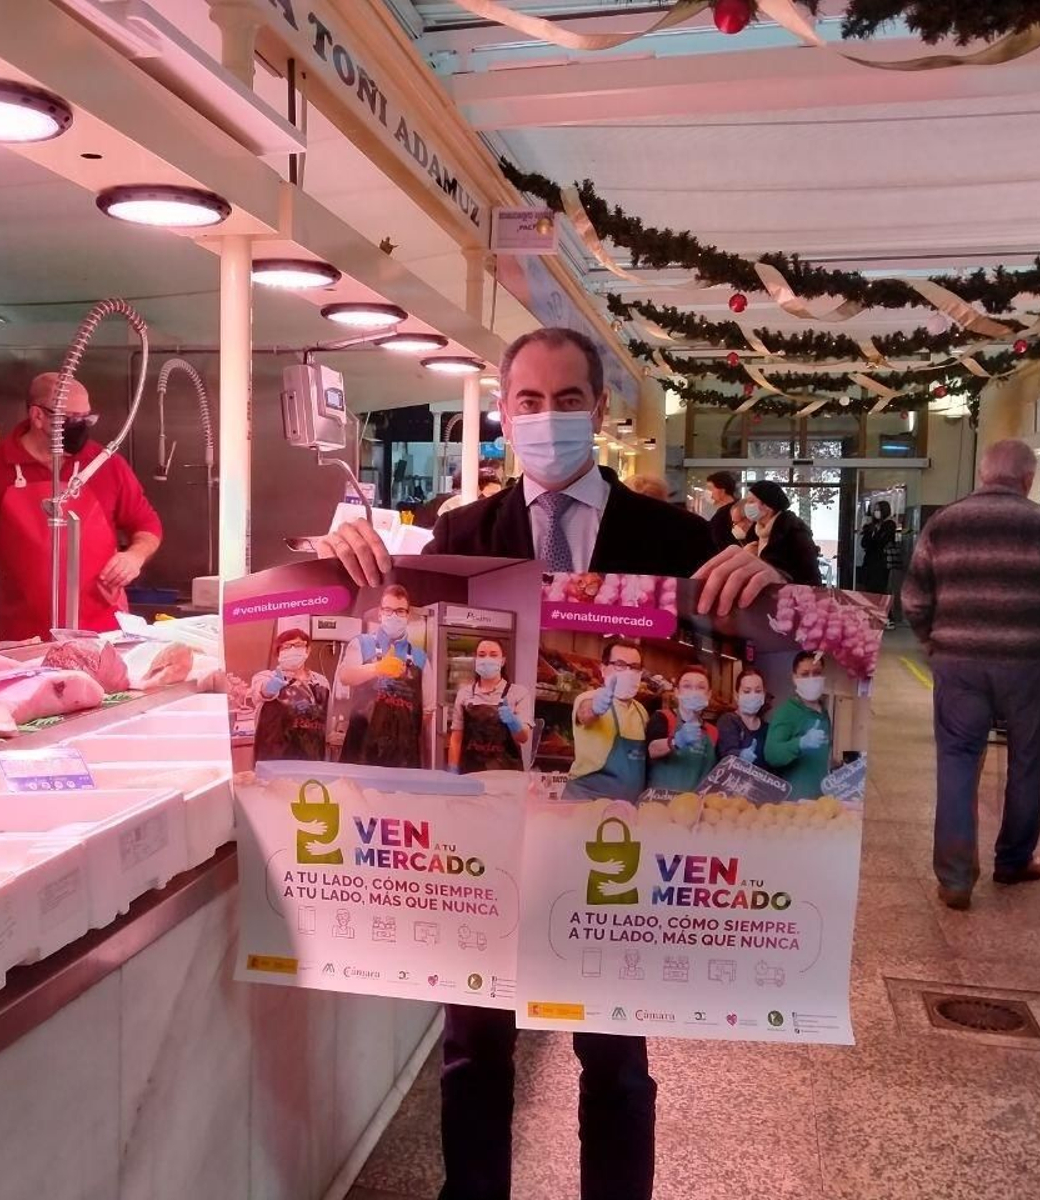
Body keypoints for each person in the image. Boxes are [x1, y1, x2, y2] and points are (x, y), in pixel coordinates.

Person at [313, 326, 785, 1200]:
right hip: (485, 845)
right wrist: (342, 561)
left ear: (599, 410)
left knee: (614, 1059)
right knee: (472, 1053)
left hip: (617, 847)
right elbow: (399, 644)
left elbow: (764, 646)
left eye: (568, 400)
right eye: (529, 401)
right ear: (504, 413)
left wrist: (755, 592)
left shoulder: (676, 541)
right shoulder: (460, 536)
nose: (548, 417)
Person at [902, 439, 1040, 911]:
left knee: (958, 761)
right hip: (1028, 663)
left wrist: (933, 642)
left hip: (959, 662)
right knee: (1028, 761)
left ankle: (955, 879)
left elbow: (914, 598)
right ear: (1027, 479)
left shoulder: (944, 522)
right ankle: (1013, 860)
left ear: (984, 474)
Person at [0, 373, 163, 640]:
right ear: (37, 416)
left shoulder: (104, 464)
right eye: (71, 419)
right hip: (24, 634)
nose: (80, 426)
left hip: (103, 631)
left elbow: (147, 525)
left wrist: (134, 556)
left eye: (86, 418)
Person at [335, 584, 426, 768]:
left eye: (400, 611)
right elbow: (345, 676)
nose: (394, 616)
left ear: (408, 615)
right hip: (362, 749)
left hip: (404, 756)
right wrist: (377, 668)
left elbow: (428, 711)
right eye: (388, 610)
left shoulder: (421, 657)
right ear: (380, 613)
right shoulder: (361, 643)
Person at [567, 641, 652, 800]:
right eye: (619, 664)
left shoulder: (642, 712)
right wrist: (595, 708)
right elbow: (584, 714)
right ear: (603, 669)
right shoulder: (588, 698)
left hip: (626, 808)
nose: (627, 671)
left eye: (634, 667)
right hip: (585, 801)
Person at [447, 639, 532, 772]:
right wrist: (452, 768)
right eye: (481, 655)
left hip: (507, 775)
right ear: (476, 660)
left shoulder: (518, 693)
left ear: (503, 661)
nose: (487, 659)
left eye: (493, 655)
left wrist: (513, 722)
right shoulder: (464, 694)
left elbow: (523, 738)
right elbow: (456, 738)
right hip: (471, 774)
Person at [250, 628, 331, 763]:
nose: (292, 650)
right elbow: (262, 692)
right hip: (273, 757)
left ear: (308, 650)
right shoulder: (265, 677)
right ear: (279, 653)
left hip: (312, 757)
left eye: (298, 645)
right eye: (286, 647)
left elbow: (326, 718)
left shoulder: (321, 682)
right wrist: (272, 686)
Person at [763, 653, 832, 798]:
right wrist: (800, 743)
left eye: (817, 673)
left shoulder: (824, 713)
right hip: (795, 801)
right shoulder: (787, 712)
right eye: (805, 674)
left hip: (820, 799)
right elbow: (771, 754)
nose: (811, 679)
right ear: (794, 678)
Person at [645, 666, 719, 791]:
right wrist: (676, 741)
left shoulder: (712, 731)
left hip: (694, 805)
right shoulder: (663, 717)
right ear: (677, 692)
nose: (694, 692)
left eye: (701, 687)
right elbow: (650, 750)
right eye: (687, 686)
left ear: (709, 694)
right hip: (660, 803)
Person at [745, 481, 821, 586]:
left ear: (767, 505)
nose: (747, 506)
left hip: (791, 597)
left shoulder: (795, 532)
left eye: (751, 501)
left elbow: (810, 576)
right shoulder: (755, 532)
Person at [716, 668, 769, 765]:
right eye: (747, 691)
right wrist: (740, 755)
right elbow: (726, 753)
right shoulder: (728, 721)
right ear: (736, 696)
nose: (753, 695)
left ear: (763, 695)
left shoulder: (767, 729)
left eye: (758, 691)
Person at [859, 502, 898, 595]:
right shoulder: (871, 526)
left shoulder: (889, 525)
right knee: (868, 589)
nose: (876, 512)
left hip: (881, 563)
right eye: (875, 510)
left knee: (878, 589)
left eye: (878, 509)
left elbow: (881, 542)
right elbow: (864, 543)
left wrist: (876, 532)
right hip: (869, 563)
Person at [705, 471, 740, 552]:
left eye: (710, 488)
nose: (708, 492)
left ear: (722, 490)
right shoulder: (735, 508)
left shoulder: (727, 513)